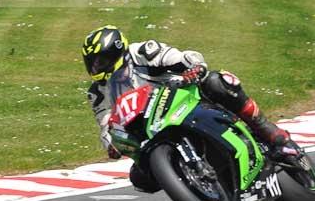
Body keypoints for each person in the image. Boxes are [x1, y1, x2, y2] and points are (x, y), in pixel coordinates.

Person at [82, 26, 299, 192]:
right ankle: (192, 184)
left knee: (217, 81)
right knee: (140, 178)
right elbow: (105, 125)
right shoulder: (98, 92)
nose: (96, 67)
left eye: (100, 61)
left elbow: (181, 57)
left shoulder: (142, 52)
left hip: (183, 99)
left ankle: (270, 132)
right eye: (92, 63)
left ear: (116, 51)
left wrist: (192, 68)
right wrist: (111, 144)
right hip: (150, 130)